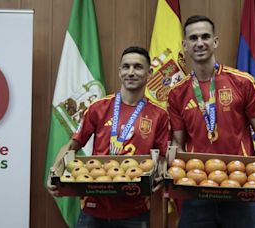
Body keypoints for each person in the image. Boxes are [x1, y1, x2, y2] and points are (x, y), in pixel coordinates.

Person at [167, 15, 255, 228]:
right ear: (185, 46)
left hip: (242, 187)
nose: (200, 42)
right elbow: (177, 143)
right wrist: (169, 164)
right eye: (193, 38)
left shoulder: (242, 82)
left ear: (215, 42)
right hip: (197, 189)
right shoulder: (177, 93)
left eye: (205, 36)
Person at [47, 46, 170, 228]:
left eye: (138, 67)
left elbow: (161, 157)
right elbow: (72, 145)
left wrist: (160, 173)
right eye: (126, 67)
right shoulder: (98, 107)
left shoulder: (159, 114)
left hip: (135, 210)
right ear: (119, 71)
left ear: (149, 72)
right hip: (93, 208)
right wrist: (54, 171)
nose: (131, 72)